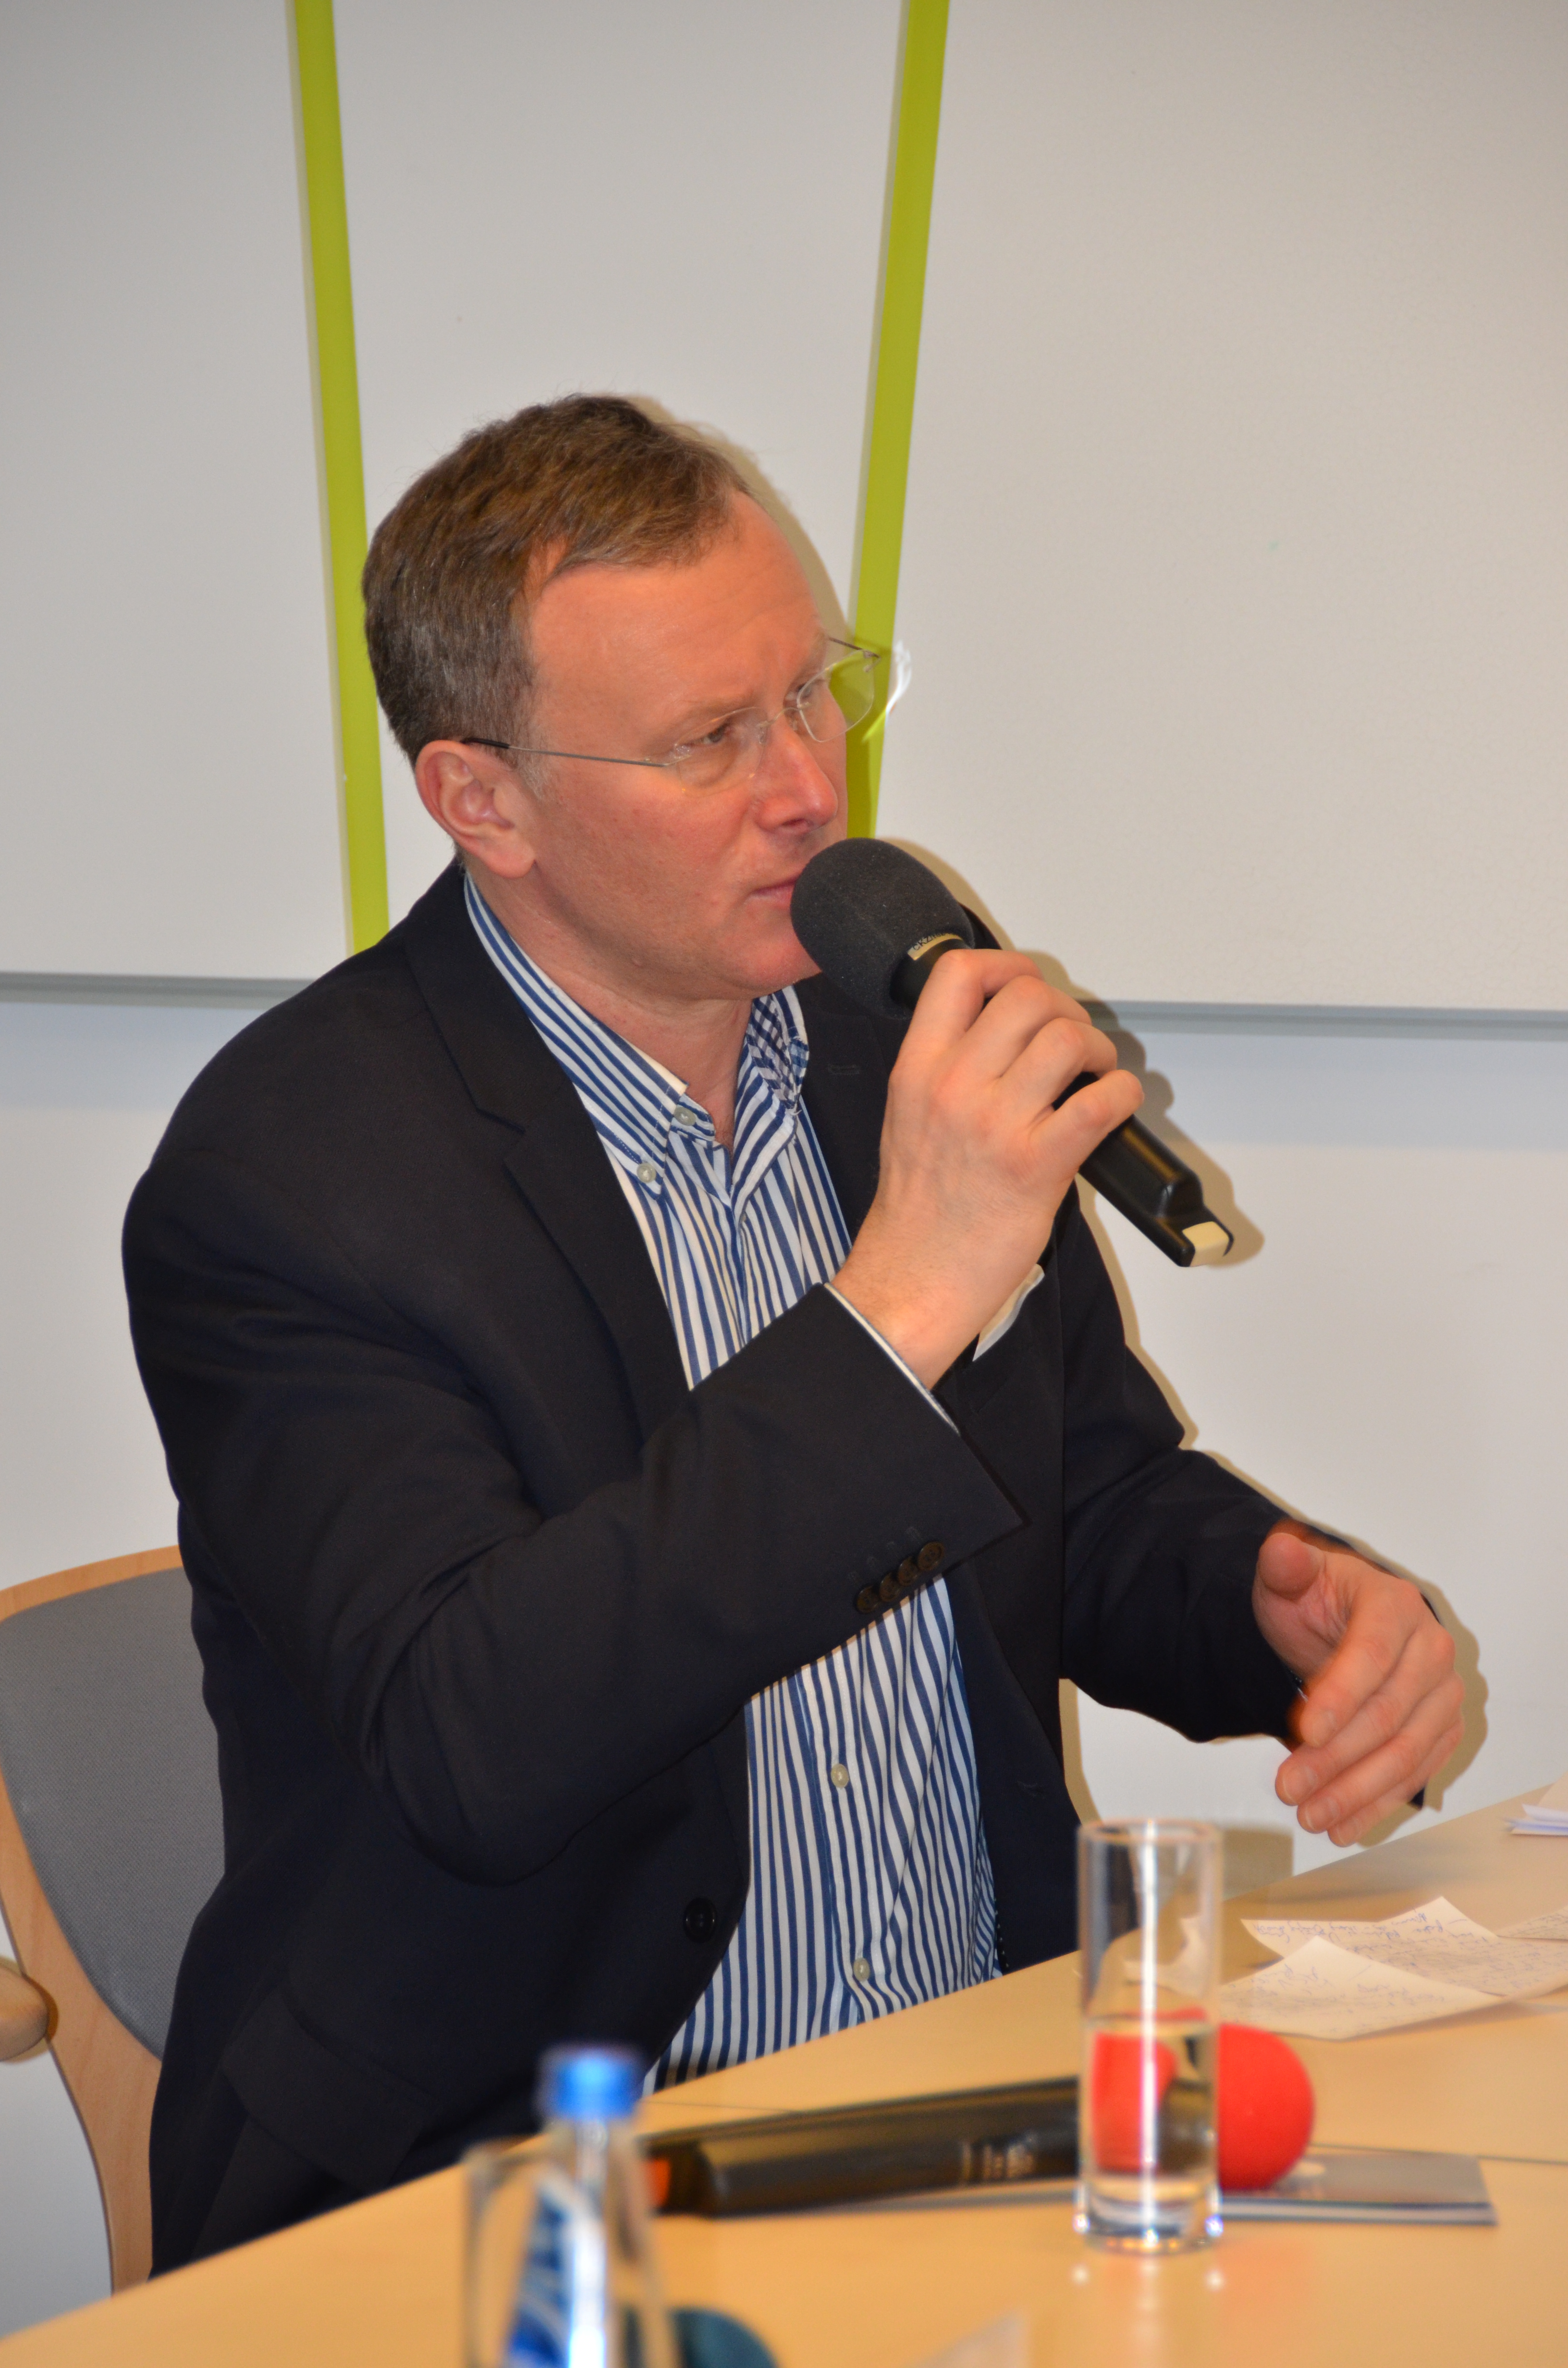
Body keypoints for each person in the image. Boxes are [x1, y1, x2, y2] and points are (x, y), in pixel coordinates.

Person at [123, 396, 1460, 2269]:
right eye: (708, 739)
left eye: (815, 695)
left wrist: (1276, 1604)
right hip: (520, 2186)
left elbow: (1079, 1499)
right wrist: (902, 1293)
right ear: (481, 799)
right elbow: (474, 1735)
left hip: (966, 2110)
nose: (810, 790)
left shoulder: (881, 1041)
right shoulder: (289, 1173)